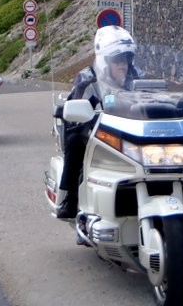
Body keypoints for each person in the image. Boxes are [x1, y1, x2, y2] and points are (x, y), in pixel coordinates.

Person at [54, 25, 142, 219]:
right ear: (105, 61)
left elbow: (157, 95)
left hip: (133, 131)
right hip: (100, 131)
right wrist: (85, 116)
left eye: (126, 59)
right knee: (75, 140)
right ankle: (72, 198)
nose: (123, 65)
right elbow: (77, 106)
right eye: (117, 60)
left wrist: (178, 105)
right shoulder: (88, 78)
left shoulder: (138, 77)